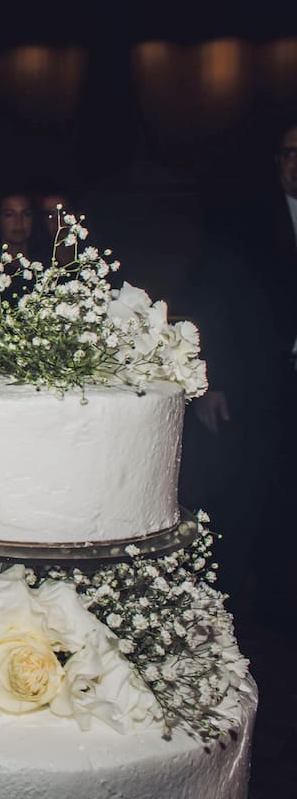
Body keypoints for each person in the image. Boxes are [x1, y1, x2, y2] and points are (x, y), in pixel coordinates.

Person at [182, 116, 297, 632]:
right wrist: (213, 381)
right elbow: (213, 302)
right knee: (248, 501)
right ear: (277, 163)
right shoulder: (247, 223)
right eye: (290, 153)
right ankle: (230, 625)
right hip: (258, 388)